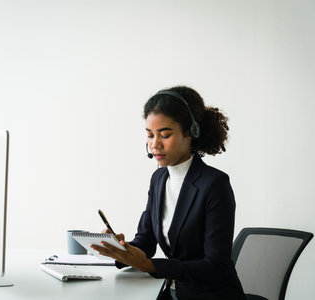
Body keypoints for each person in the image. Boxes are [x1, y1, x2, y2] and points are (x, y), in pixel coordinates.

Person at [92, 86, 246, 300]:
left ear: (191, 133)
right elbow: (145, 241)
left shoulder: (214, 184)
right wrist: (121, 249)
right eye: (149, 135)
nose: (155, 144)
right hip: (170, 292)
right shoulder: (159, 179)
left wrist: (150, 265)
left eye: (165, 134)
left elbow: (216, 266)